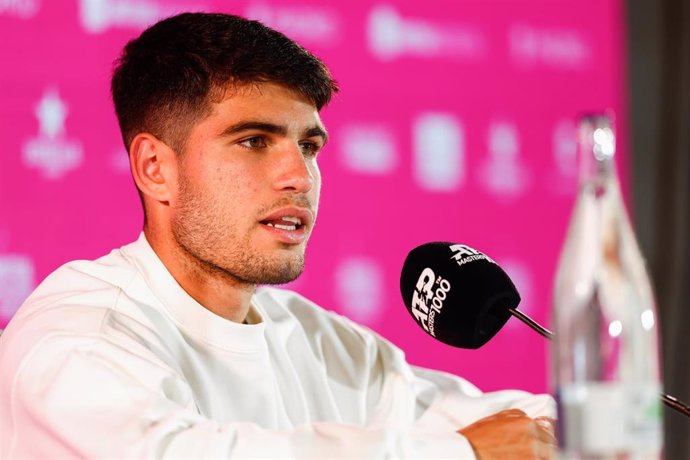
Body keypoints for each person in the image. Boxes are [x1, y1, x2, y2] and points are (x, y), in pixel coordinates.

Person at [0, 12, 556, 459]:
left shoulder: (325, 346)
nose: (299, 176)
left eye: (309, 146)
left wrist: (614, 421)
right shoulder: (76, 339)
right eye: (253, 140)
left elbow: (510, 426)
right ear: (155, 168)